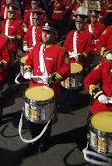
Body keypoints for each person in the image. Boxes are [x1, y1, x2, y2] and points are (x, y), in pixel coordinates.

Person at [23, 21, 70, 153]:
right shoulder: (36, 47)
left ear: (55, 35)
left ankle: (44, 141)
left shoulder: (61, 52)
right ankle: (34, 140)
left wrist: (55, 77)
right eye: (44, 31)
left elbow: (65, 70)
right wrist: (27, 70)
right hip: (34, 87)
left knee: (45, 119)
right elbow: (29, 61)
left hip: (49, 90)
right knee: (32, 118)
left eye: (48, 32)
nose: (45, 34)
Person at [0, 5, 24, 85]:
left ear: (15, 14)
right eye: (9, 12)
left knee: (11, 64)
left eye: (12, 13)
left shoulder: (18, 23)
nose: (10, 14)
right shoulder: (3, 22)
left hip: (12, 46)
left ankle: (11, 81)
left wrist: (14, 38)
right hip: (3, 46)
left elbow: (20, 35)